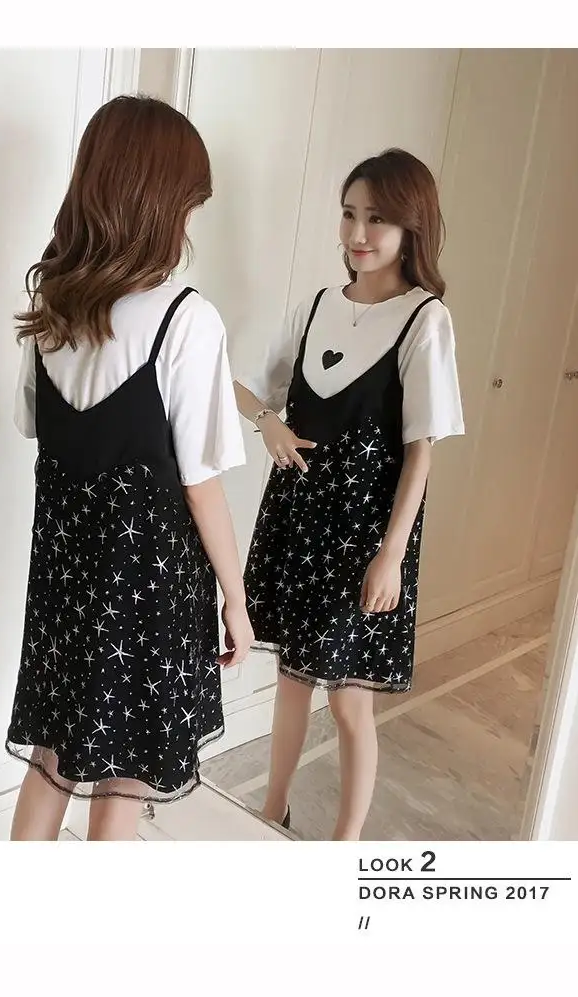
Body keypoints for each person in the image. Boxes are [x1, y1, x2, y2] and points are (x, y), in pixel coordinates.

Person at [5, 95, 253, 841]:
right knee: (125, 776)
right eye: (189, 205)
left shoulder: (53, 308)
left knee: (51, 758)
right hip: (149, 592)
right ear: (159, 202)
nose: (189, 224)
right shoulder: (186, 319)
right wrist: (236, 598)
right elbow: (201, 485)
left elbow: (37, 429)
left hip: (66, 584)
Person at [234, 148, 465, 840]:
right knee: (291, 682)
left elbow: (421, 450)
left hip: (365, 538)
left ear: (412, 228)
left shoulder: (424, 320)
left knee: (349, 702)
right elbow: (244, 387)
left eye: (377, 219)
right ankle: (272, 810)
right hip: (299, 523)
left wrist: (391, 555)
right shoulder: (316, 307)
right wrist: (267, 421)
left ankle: (345, 846)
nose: (358, 233)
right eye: (349, 214)